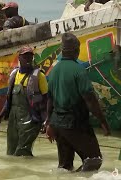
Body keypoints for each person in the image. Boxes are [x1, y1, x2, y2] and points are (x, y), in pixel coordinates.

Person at [44, 33, 111, 172]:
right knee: (94, 160)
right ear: (76, 50)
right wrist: (103, 122)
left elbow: (50, 100)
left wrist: (49, 123)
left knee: (64, 167)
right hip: (75, 124)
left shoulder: (53, 71)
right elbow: (90, 100)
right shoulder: (79, 71)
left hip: (58, 126)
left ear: (62, 51)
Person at [0, 46, 48, 156]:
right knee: (11, 152)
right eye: (25, 56)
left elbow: (47, 100)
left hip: (31, 121)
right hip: (14, 121)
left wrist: (46, 121)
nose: (28, 59)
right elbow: (9, 100)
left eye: (30, 56)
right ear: (19, 58)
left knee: (23, 152)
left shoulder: (39, 76)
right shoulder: (14, 75)